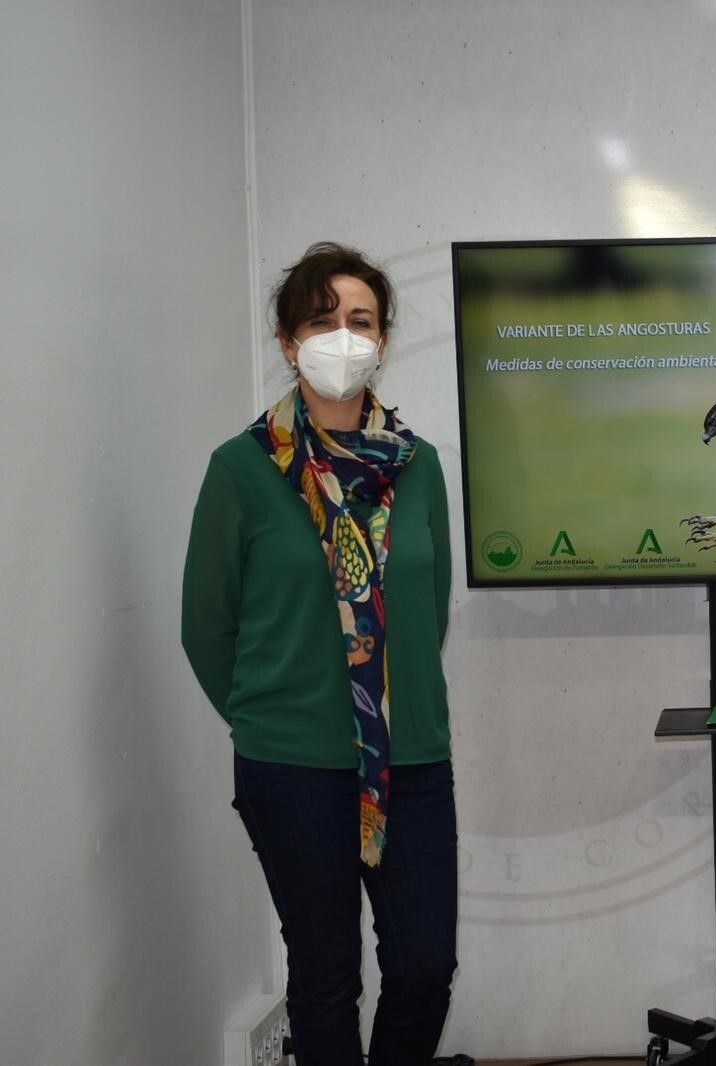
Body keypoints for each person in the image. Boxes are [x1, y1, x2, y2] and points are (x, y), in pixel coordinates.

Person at [182, 242, 458, 1066]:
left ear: (383, 339)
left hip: (409, 756)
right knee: (326, 976)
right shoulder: (239, 470)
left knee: (424, 968)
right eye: (322, 319)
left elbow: (425, 605)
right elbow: (207, 627)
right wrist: (277, 715)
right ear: (288, 342)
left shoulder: (418, 468)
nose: (344, 336)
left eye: (361, 320)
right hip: (292, 765)